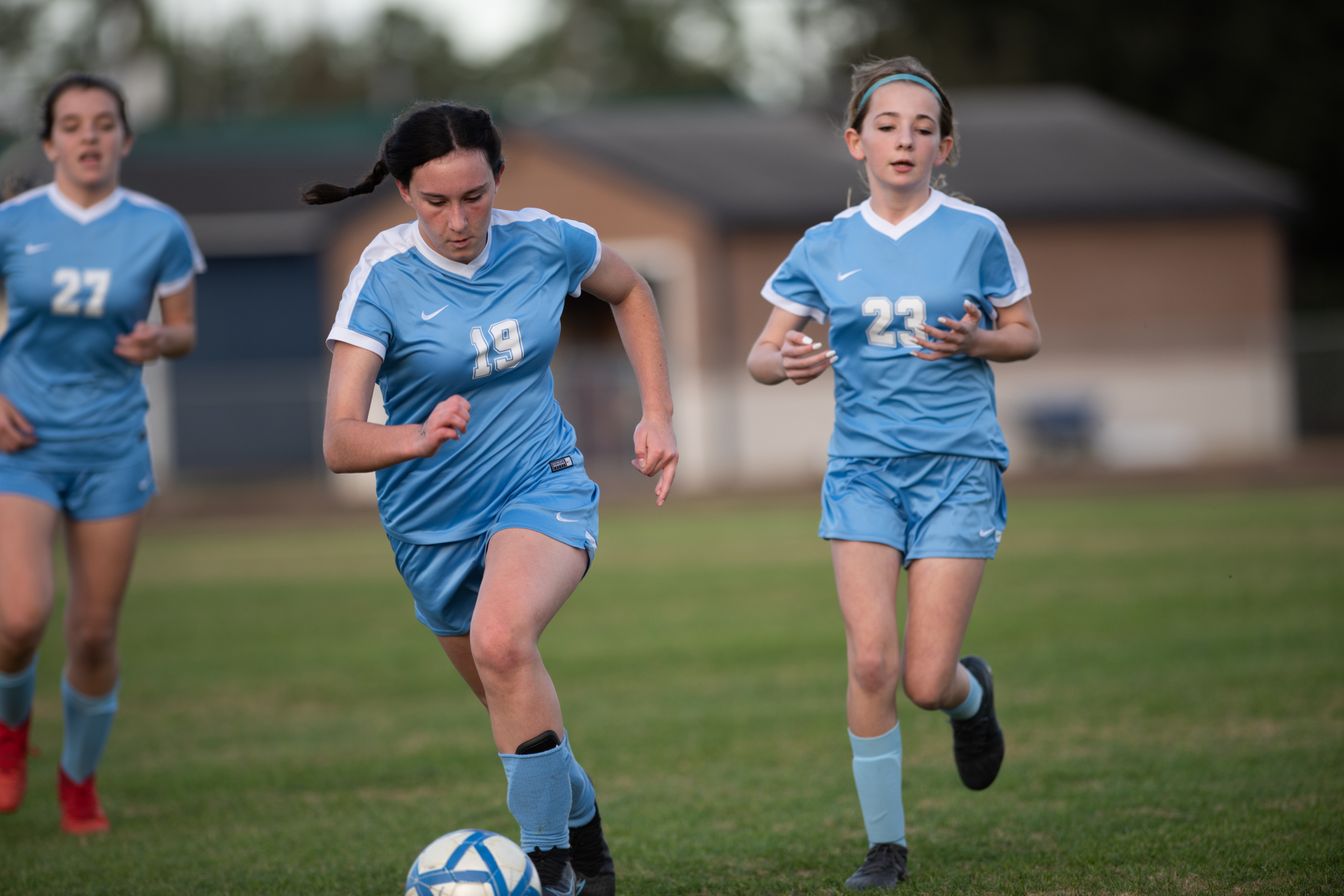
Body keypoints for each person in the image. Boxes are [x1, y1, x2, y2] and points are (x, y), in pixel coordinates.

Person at [304, 100, 677, 896]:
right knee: (522, 718)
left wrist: (659, 413)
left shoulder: (545, 239)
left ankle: (548, 876)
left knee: (503, 643)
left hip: (541, 485)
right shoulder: (381, 276)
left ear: (498, 180)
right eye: (436, 201)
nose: (459, 219)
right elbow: (339, 441)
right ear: (404, 193)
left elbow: (631, 289)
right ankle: (584, 828)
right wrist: (414, 435)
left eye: (475, 196)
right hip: (429, 532)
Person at [747, 56, 1041, 889]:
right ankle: (887, 849)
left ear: (944, 147)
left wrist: (979, 341)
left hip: (959, 468)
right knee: (870, 662)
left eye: (922, 128)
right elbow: (760, 353)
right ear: (855, 142)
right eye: (887, 125)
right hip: (864, 472)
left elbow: (1025, 333)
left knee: (922, 679)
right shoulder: (824, 245)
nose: (904, 139)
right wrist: (788, 361)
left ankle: (969, 697)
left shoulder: (978, 231)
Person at [0, 72, 204, 834]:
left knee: (92, 632)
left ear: (125, 137)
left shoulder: (159, 229)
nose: (90, 136)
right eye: (73, 124)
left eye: (104, 122)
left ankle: (78, 782)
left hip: (113, 447)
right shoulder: (13, 223)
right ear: (50, 142)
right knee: (19, 616)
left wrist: (161, 339)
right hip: (22, 444)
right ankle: (10, 736)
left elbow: (185, 330)